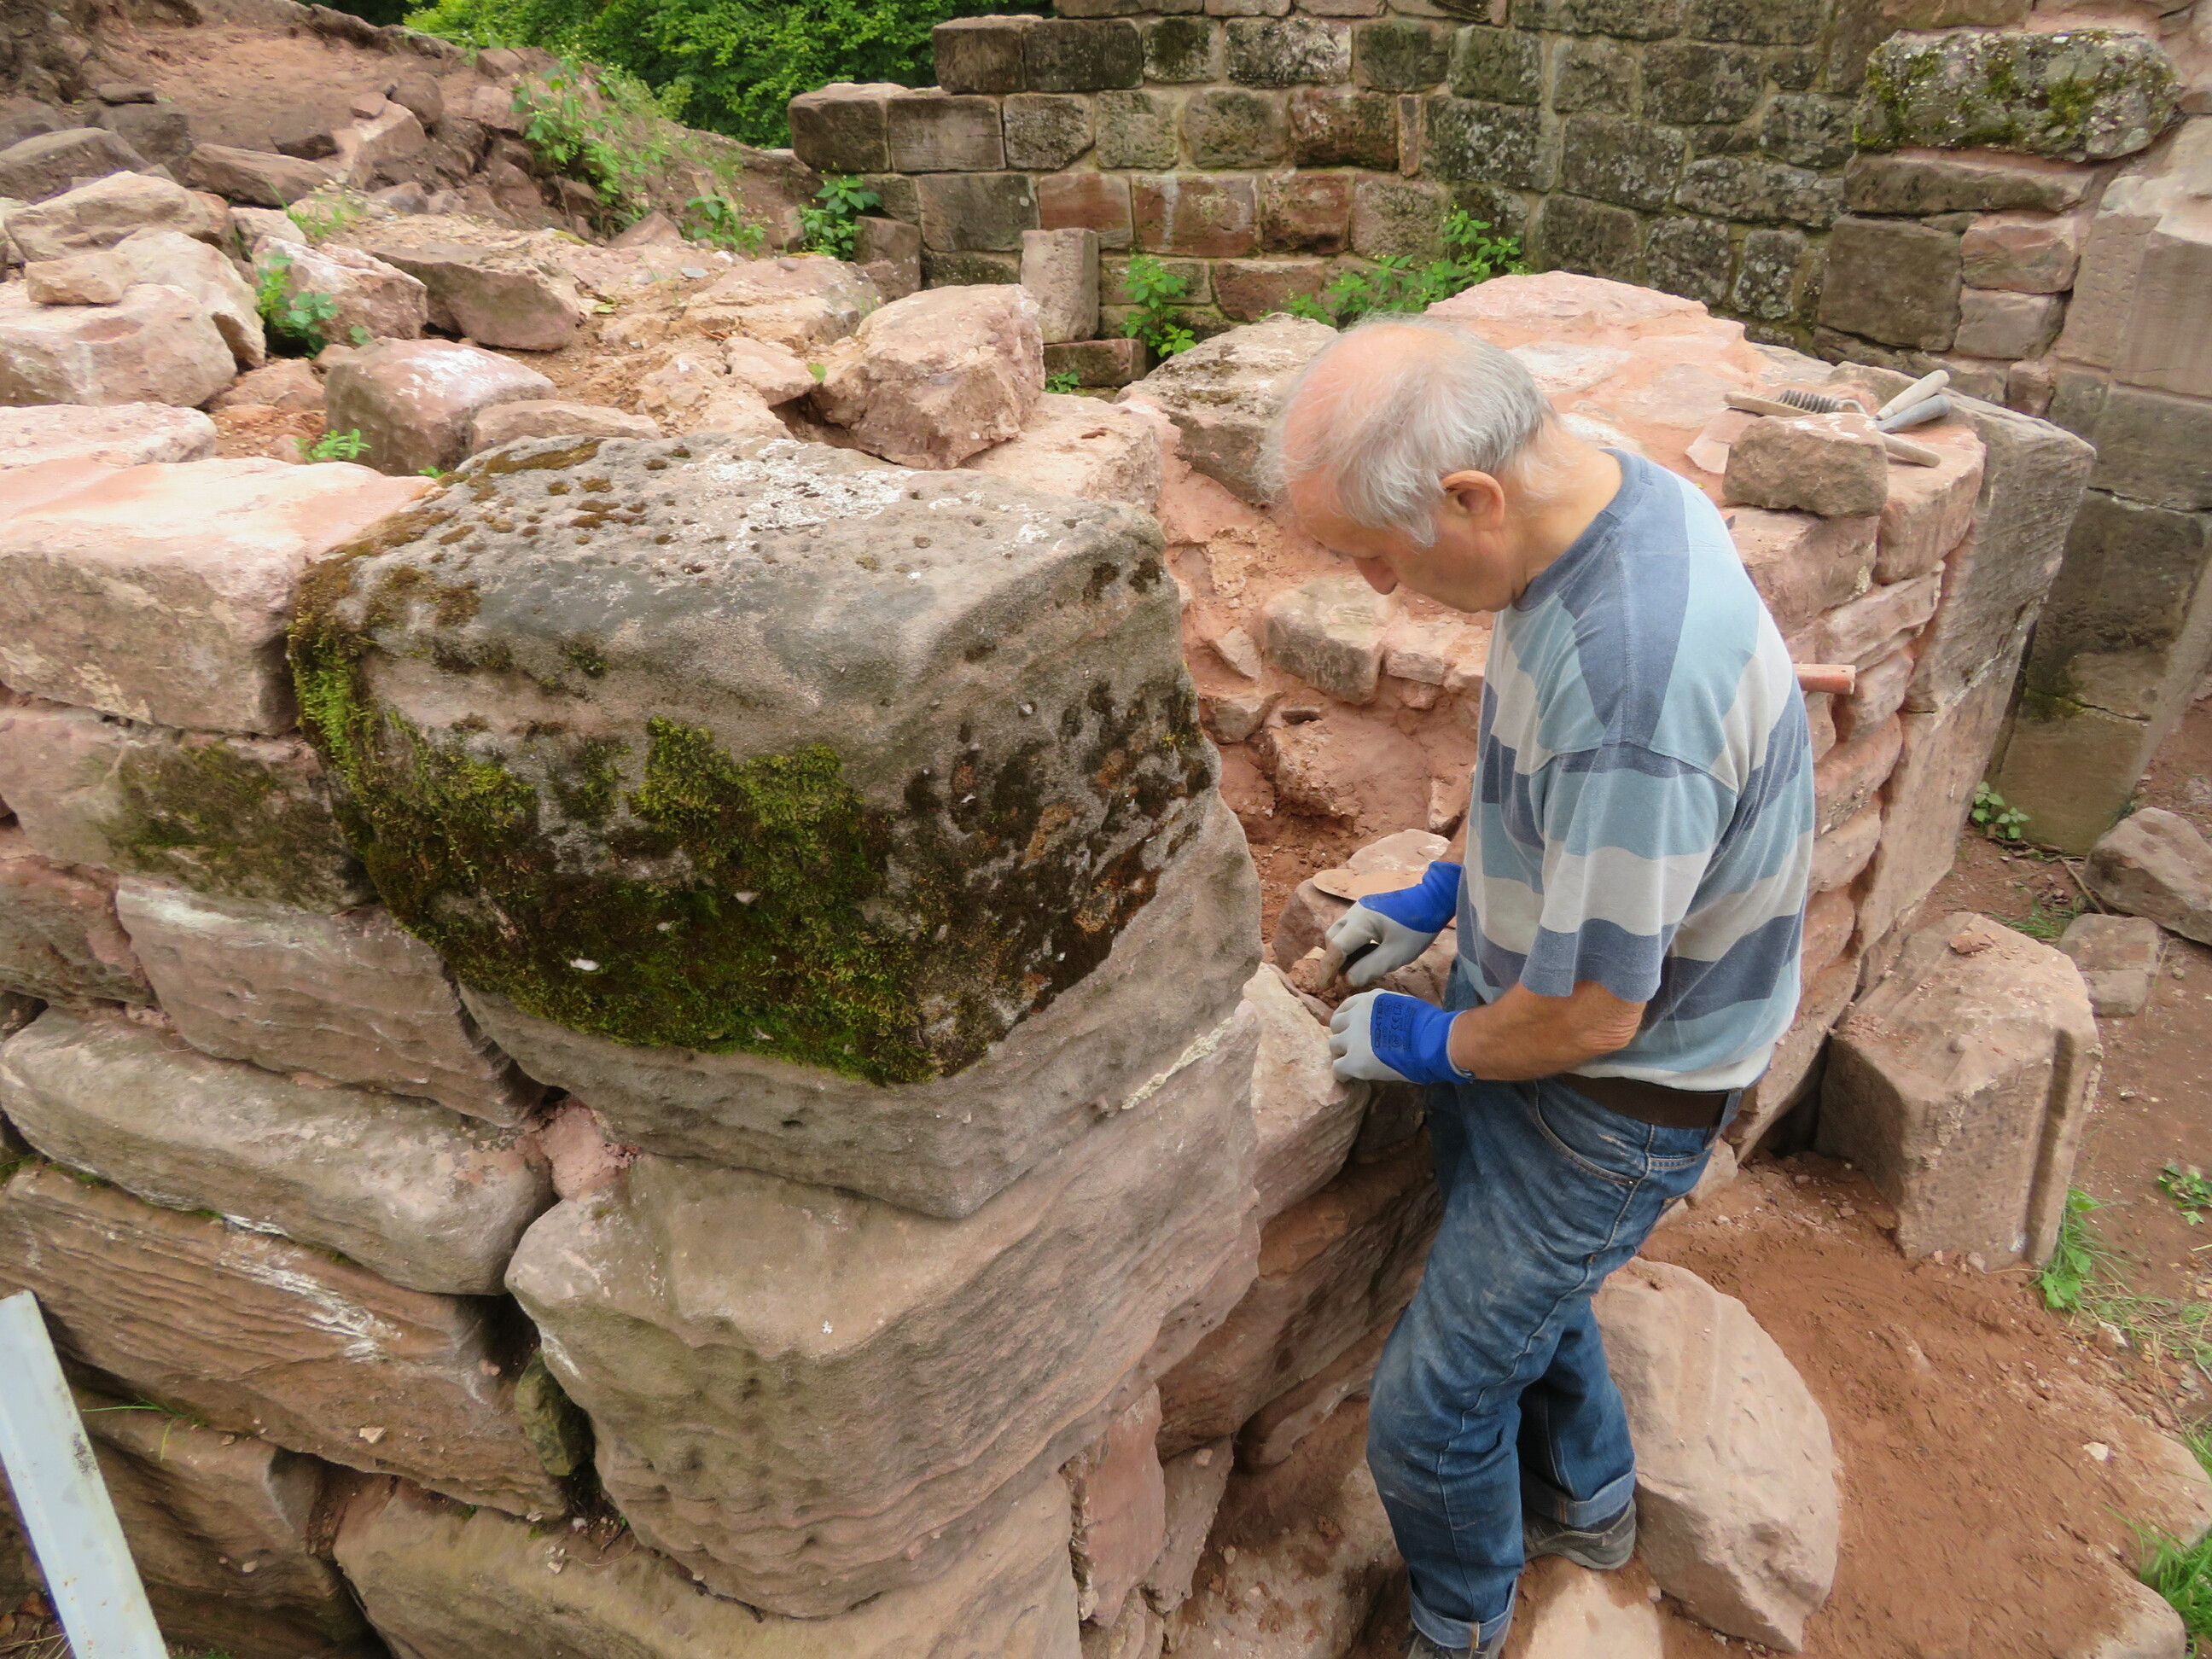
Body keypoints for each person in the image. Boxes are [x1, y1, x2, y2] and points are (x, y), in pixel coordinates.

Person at [1265, 312, 1813, 1658]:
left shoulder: (1635, 687)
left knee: (1430, 1414)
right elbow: (1553, 783)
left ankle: (1460, 1625)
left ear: (1470, 498)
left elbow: (1592, 1012)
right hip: (1556, 1036)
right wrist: (1451, 886)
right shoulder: (1592, 492)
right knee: (1534, 1303)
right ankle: (1589, 1504)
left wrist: (1423, 1043)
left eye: (1381, 554)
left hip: (1614, 1098)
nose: (1379, 587)